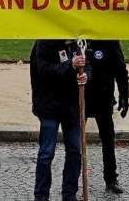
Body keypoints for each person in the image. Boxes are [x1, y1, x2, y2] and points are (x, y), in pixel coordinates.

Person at [30, 40, 89, 201]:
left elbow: (87, 65)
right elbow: (44, 70)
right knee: (46, 153)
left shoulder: (78, 42)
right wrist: (70, 65)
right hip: (50, 106)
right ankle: (41, 195)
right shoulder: (44, 43)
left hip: (72, 108)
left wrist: (85, 75)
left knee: (75, 151)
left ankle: (69, 194)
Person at [85, 40, 129, 195]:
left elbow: (120, 70)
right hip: (80, 96)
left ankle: (111, 178)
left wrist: (124, 94)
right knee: (74, 141)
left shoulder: (109, 40)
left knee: (108, 139)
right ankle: (71, 178)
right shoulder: (77, 38)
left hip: (103, 95)